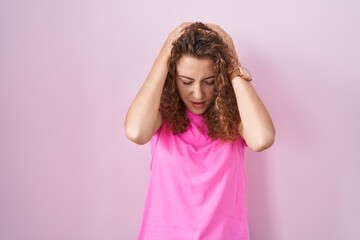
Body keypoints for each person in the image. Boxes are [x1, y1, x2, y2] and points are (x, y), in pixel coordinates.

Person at [125, 22, 275, 240]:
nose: (198, 93)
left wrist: (232, 62)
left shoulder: (236, 120)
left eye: (210, 81)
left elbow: (262, 138)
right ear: (173, 78)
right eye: (187, 81)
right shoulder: (160, 117)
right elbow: (136, 132)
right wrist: (164, 55)